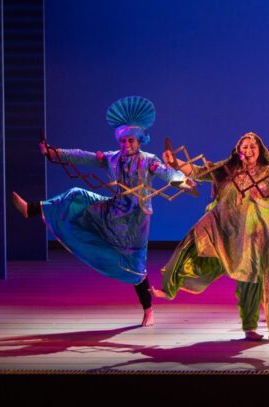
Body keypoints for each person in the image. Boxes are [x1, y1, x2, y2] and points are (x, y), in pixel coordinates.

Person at [11, 96, 190, 327]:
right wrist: (53, 153)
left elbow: (166, 173)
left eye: (130, 141)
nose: (126, 145)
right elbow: (83, 156)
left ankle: (148, 310)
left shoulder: (148, 161)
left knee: (135, 267)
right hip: (111, 211)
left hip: (135, 221)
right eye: (123, 141)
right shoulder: (112, 158)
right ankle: (32, 209)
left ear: (139, 140)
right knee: (76, 195)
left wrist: (180, 179)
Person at [157, 132, 269, 342]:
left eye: (253, 147)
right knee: (195, 238)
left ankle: (257, 328)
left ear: (260, 151)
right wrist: (174, 161)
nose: (248, 150)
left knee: (251, 279)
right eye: (244, 146)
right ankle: (172, 284)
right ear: (237, 150)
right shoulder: (228, 169)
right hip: (227, 230)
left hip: (257, 237)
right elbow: (198, 172)